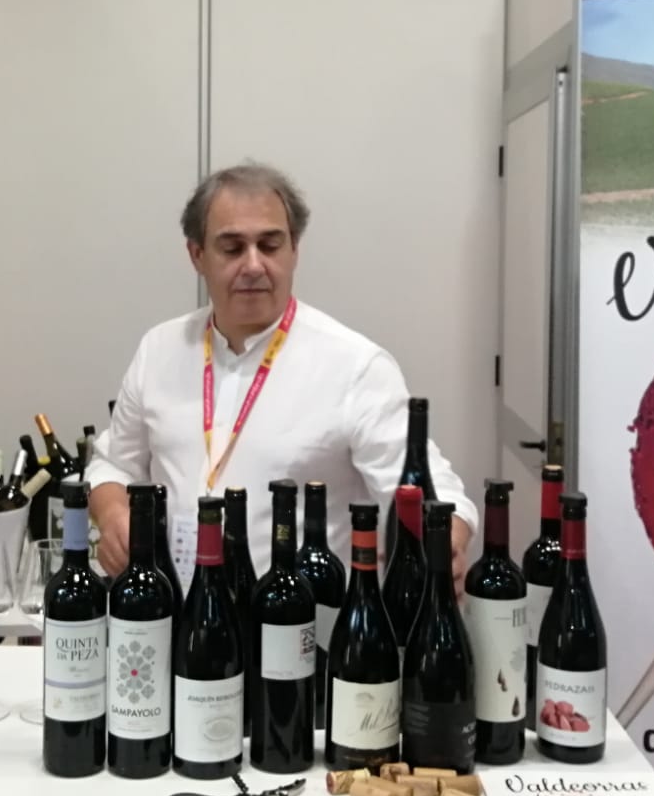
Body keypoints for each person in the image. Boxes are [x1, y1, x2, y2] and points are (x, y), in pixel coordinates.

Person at [85, 162, 477, 589]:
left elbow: (435, 494)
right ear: (197, 255)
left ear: (294, 250)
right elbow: (114, 464)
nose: (254, 265)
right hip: (171, 612)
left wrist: (445, 541)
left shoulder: (355, 367)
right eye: (232, 248)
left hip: (302, 620)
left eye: (270, 246)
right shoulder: (159, 350)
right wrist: (112, 513)